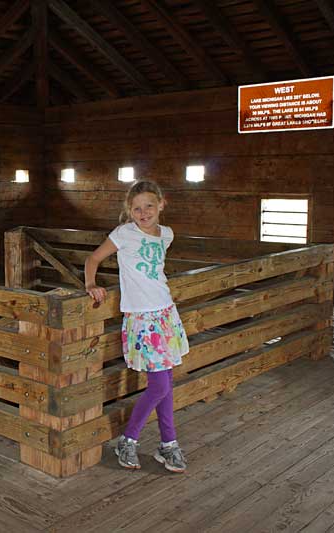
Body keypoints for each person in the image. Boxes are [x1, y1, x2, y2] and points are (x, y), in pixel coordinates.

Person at [84, 180, 190, 473]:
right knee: (159, 386)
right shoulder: (124, 234)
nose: (143, 213)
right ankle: (128, 439)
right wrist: (91, 284)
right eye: (137, 208)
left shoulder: (166, 235)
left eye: (149, 206)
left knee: (165, 385)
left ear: (161, 205)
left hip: (166, 313)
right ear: (129, 212)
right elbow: (93, 259)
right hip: (142, 318)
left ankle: (168, 444)